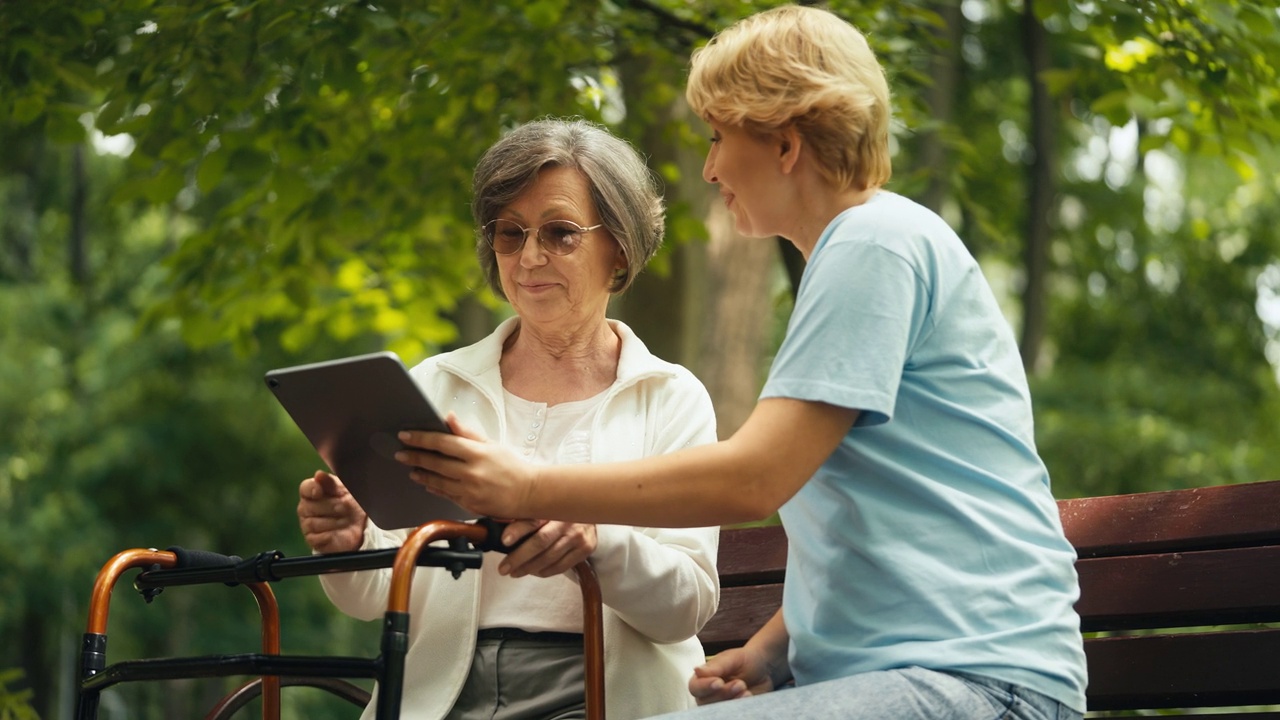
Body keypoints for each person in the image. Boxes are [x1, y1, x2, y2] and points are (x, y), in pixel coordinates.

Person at [398, 6, 1089, 720]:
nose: (710, 166)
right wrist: (771, 649)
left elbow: (756, 479)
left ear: (785, 145)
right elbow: (893, 510)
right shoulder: (860, 253)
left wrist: (532, 487)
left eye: (719, 136)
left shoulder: (872, 244)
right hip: (921, 676)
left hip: (980, 683)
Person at [296, 117, 721, 720]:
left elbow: (687, 607)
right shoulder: (438, 384)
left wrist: (597, 539)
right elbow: (375, 597)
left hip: (602, 694)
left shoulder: (669, 397)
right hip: (438, 692)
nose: (529, 257)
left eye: (560, 233)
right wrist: (349, 545)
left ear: (619, 248)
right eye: (509, 233)